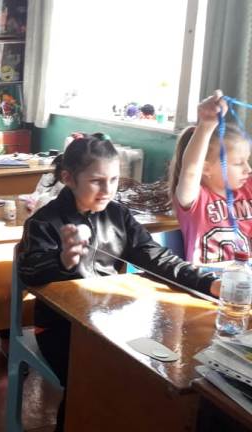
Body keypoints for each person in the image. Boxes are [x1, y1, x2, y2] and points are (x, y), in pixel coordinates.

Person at [18, 134, 220, 431]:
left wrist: (208, 283)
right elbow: (29, 272)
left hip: (108, 322)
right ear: (68, 178)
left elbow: (156, 257)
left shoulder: (118, 215)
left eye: (113, 180)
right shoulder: (44, 221)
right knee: (92, 376)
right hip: (60, 328)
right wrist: (62, 261)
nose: (107, 190)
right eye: (97, 181)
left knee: (153, 373)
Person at [169, 89, 252, 263]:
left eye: (247, 161)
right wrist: (206, 125)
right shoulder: (196, 200)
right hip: (207, 279)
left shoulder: (247, 189)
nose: (248, 169)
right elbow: (190, 170)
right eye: (238, 163)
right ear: (205, 168)